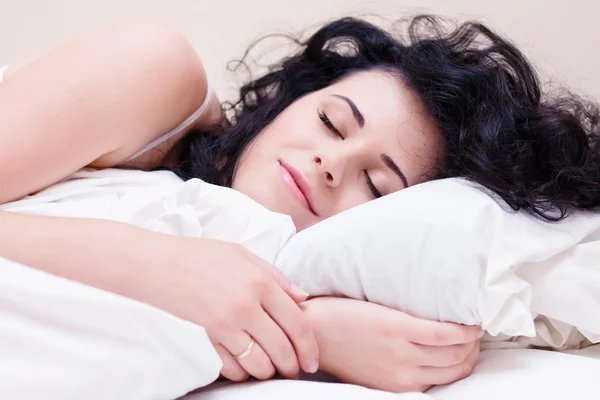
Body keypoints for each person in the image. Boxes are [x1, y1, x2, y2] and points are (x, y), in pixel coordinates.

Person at [0, 14, 598, 393]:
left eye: (376, 185)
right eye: (331, 122)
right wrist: (151, 264)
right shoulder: (155, 75)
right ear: (290, 99)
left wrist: (309, 332)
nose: (330, 163)